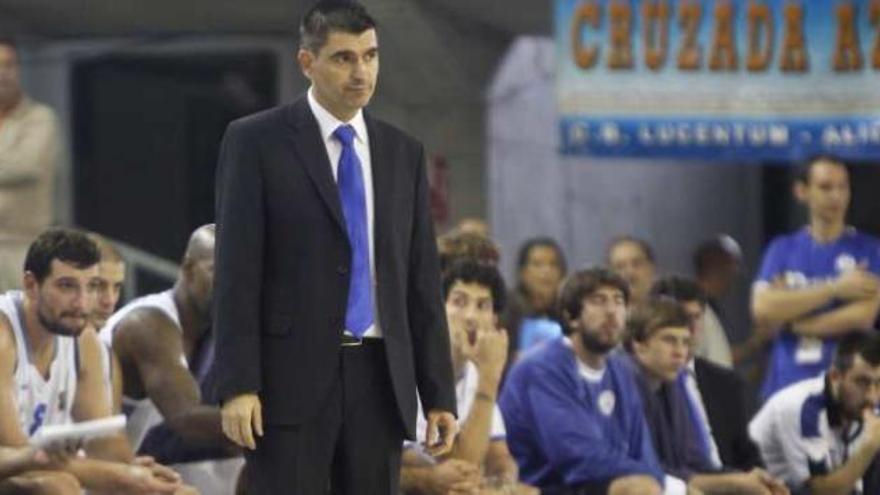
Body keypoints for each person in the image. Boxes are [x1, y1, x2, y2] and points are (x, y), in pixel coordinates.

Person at [212, 2, 458, 493]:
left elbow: (420, 281)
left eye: (370, 56)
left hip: (380, 375)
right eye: (344, 58)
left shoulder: (402, 152)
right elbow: (237, 271)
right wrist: (239, 384)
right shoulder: (256, 141)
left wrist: (438, 393)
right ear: (308, 62)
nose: (360, 72)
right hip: (289, 378)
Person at [0, 228, 188, 494]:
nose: (82, 303)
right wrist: (123, 475)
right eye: (67, 286)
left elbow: (103, 440)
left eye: (91, 287)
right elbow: (17, 454)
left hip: (39, 467)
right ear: (31, 285)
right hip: (12, 465)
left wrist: (132, 469)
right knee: (56, 487)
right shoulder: (3, 337)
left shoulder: (84, 340)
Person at [500, 267, 672, 495]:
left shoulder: (620, 370)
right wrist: (657, 481)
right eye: (598, 301)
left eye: (618, 301)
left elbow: (642, 450)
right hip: (542, 488)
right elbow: (578, 456)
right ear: (571, 317)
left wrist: (661, 481)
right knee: (638, 488)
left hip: (592, 486)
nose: (611, 311)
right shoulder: (541, 368)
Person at [100, 224, 243, 494]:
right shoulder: (147, 325)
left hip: (130, 459)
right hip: (85, 464)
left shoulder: (214, 330)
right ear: (188, 268)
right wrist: (280, 425)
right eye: (218, 271)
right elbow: (186, 419)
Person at [622, 299, 788, 495]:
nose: (680, 352)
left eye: (685, 342)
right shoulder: (623, 385)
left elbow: (695, 463)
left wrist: (748, 479)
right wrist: (737, 482)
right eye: (669, 340)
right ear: (638, 345)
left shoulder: (674, 384)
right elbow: (649, 473)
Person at [401, 259, 537, 495]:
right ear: (438, 310)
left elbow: (500, 456)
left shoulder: (475, 371)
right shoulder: (409, 368)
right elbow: (460, 465)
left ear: (494, 320)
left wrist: (503, 484)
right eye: (459, 302)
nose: (470, 316)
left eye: (482, 305)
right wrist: (490, 377)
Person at [751, 156, 880, 401]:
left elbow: (861, 316)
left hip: (845, 393)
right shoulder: (782, 249)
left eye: (843, 187)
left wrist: (791, 321)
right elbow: (763, 308)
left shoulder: (869, 250)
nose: (836, 196)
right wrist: (835, 288)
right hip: (785, 386)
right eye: (825, 187)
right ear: (802, 191)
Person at [650, 276, 763, 471]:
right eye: (682, 318)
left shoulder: (727, 382)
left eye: (696, 317)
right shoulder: (646, 384)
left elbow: (746, 454)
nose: (691, 329)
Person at [749, 332, 880, 495]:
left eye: (878, 383)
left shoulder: (857, 406)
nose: (872, 396)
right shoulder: (802, 408)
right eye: (862, 382)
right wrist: (869, 447)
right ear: (835, 376)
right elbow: (820, 491)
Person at [0, 38, 61, 292]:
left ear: (19, 70)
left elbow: (26, 165)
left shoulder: (40, 118)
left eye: (9, 65)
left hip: (21, 245)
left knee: (19, 325)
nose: (2, 73)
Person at [501, 237, 567, 357]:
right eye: (537, 264)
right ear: (523, 273)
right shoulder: (507, 309)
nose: (546, 271)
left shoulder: (567, 311)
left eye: (553, 264)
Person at [691, 235, 740, 368]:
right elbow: (715, 361)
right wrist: (756, 344)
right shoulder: (696, 309)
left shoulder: (710, 306)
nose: (735, 273)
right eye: (731, 266)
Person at [607, 236, 657, 307]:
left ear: (651, 269)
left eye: (636, 264)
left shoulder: (671, 315)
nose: (629, 272)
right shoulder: (599, 317)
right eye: (620, 267)